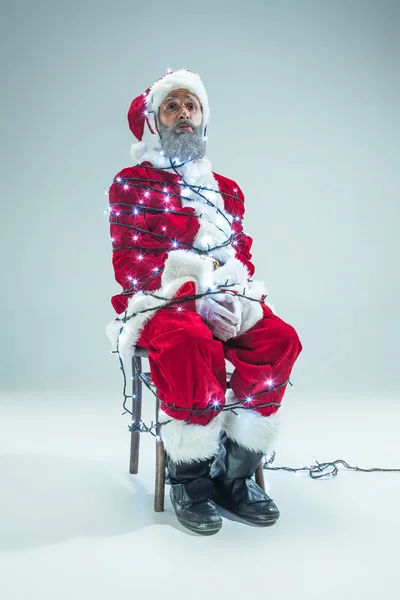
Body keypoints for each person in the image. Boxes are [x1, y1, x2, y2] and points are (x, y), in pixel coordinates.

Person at [106, 69, 302, 535]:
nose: (184, 115)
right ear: (156, 120)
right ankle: (189, 477)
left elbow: (242, 255)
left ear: (203, 116)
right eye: (172, 106)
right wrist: (195, 294)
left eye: (191, 106)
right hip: (161, 303)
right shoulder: (132, 183)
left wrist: (233, 293)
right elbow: (131, 266)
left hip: (225, 298)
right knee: (190, 342)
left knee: (278, 337)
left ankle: (234, 474)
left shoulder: (227, 190)